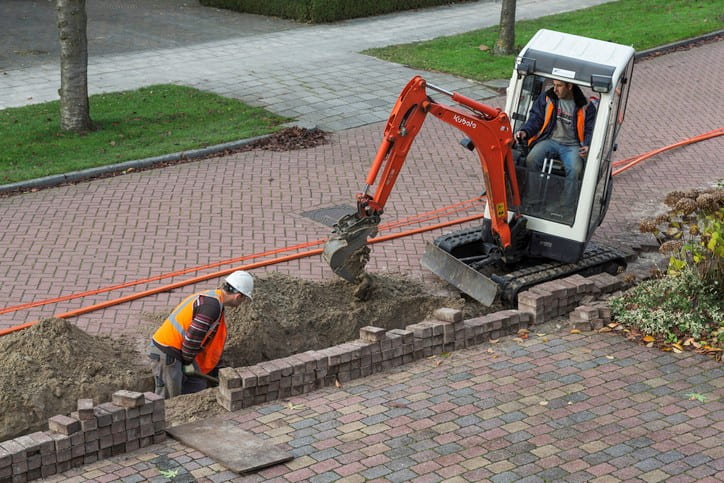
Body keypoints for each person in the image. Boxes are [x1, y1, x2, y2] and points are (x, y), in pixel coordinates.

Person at [148, 270, 254, 398]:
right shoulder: (211, 307)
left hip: (179, 352)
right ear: (238, 296)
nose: (242, 303)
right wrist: (187, 364)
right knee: (169, 397)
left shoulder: (213, 299)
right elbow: (192, 339)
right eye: (244, 299)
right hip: (167, 353)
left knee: (197, 383)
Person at [515, 79, 596, 206]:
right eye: (554, 85)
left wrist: (587, 144)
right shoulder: (547, 98)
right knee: (531, 159)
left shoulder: (585, 105)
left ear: (569, 86)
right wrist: (525, 131)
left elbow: (590, 129)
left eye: (559, 86)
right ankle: (532, 199)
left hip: (573, 145)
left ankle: (566, 205)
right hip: (549, 139)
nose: (555, 89)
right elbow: (535, 118)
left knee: (576, 169)